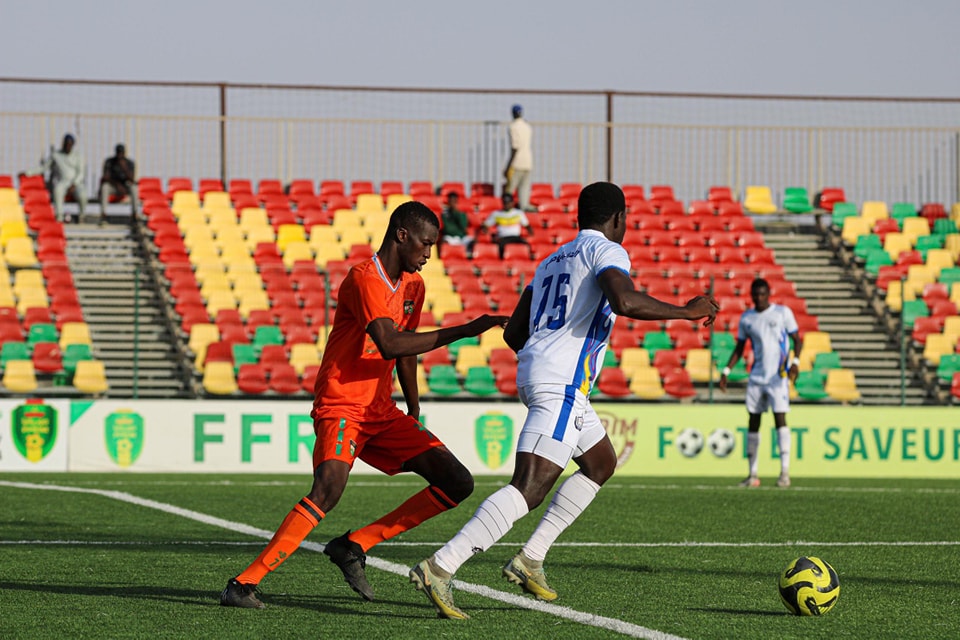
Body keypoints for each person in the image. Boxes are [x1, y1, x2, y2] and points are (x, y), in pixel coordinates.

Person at [409, 182, 719, 619]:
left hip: (550, 378)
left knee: (600, 463)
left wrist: (544, 356)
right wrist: (687, 311)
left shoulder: (552, 260)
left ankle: (529, 558)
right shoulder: (606, 251)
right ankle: (441, 566)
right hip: (562, 385)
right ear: (618, 219)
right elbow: (624, 300)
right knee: (529, 488)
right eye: (625, 219)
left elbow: (514, 333)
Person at [219, 201, 508, 609]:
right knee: (328, 489)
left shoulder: (413, 285)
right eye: (426, 244)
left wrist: (413, 406)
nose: (430, 254)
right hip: (342, 404)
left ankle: (355, 545)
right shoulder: (363, 279)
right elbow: (389, 341)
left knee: (457, 481)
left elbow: (404, 350)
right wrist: (467, 329)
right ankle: (242, 585)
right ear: (401, 236)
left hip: (381, 409)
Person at [718, 278, 803, 488]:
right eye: (755, 294)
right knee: (753, 422)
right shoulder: (747, 318)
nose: (759, 297)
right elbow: (739, 348)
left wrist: (795, 362)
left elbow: (797, 339)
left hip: (778, 377)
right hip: (757, 377)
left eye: (762, 294)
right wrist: (726, 371)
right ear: (751, 295)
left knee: (780, 420)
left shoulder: (782, 313)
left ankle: (784, 472)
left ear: (769, 294)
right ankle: (752, 474)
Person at [23, 133, 87, 222]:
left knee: (83, 195)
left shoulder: (78, 156)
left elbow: (81, 173)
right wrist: (28, 173)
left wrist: (74, 184)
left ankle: (82, 216)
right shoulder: (56, 155)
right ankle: (59, 216)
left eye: (70, 144)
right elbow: (44, 167)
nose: (67, 146)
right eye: (66, 144)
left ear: (72, 145)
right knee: (57, 190)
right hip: (63, 182)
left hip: (76, 183)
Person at [480, 192, 534, 258]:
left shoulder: (518, 213)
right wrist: (486, 230)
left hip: (515, 237)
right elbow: (486, 225)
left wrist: (530, 231)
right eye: (505, 203)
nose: (507, 205)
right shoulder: (496, 214)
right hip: (503, 237)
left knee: (526, 246)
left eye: (508, 203)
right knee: (500, 247)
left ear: (512, 203)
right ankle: (502, 263)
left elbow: (527, 225)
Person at [98, 143, 138, 225]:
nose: (120, 155)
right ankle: (103, 215)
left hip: (125, 186)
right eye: (118, 152)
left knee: (134, 188)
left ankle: (134, 214)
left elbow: (132, 179)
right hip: (113, 185)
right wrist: (117, 185)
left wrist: (124, 167)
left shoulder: (130, 163)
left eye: (121, 153)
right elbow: (106, 177)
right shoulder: (109, 162)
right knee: (105, 187)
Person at [504, 104, 533, 211]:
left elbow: (515, 147)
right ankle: (523, 208)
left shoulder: (513, 127)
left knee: (509, 191)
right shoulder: (527, 126)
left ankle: (508, 212)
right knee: (524, 191)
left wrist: (508, 166)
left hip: (517, 163)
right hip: (528, 162)